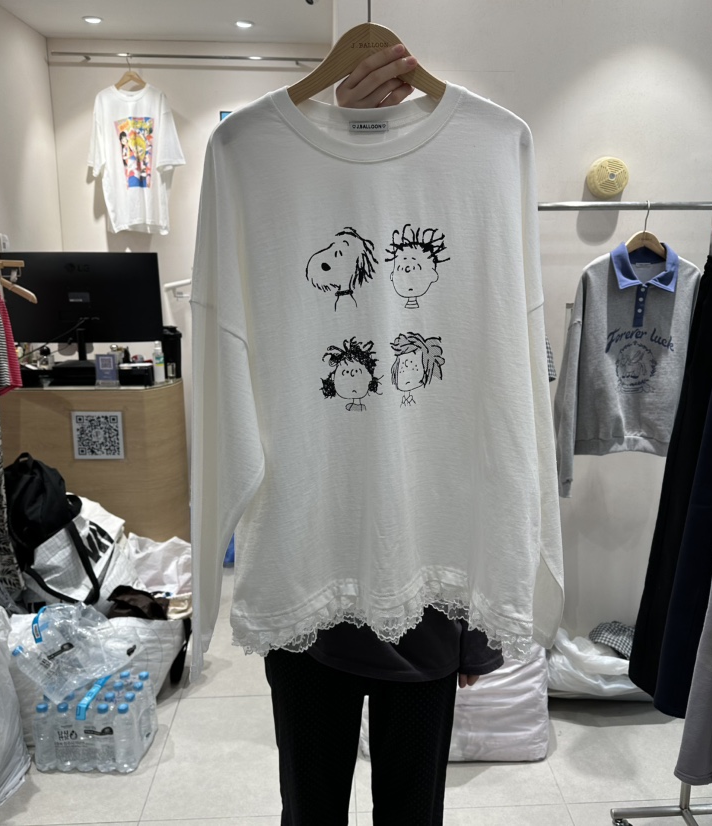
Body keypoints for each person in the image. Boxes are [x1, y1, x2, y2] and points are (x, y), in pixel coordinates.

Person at [263, 45, 504, 826]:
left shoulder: (486, 160)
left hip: (427, 590)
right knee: (313, 808)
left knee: (408, 812)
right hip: (310, 587)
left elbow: (497, 421)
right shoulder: (267, 169)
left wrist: (480, 631)